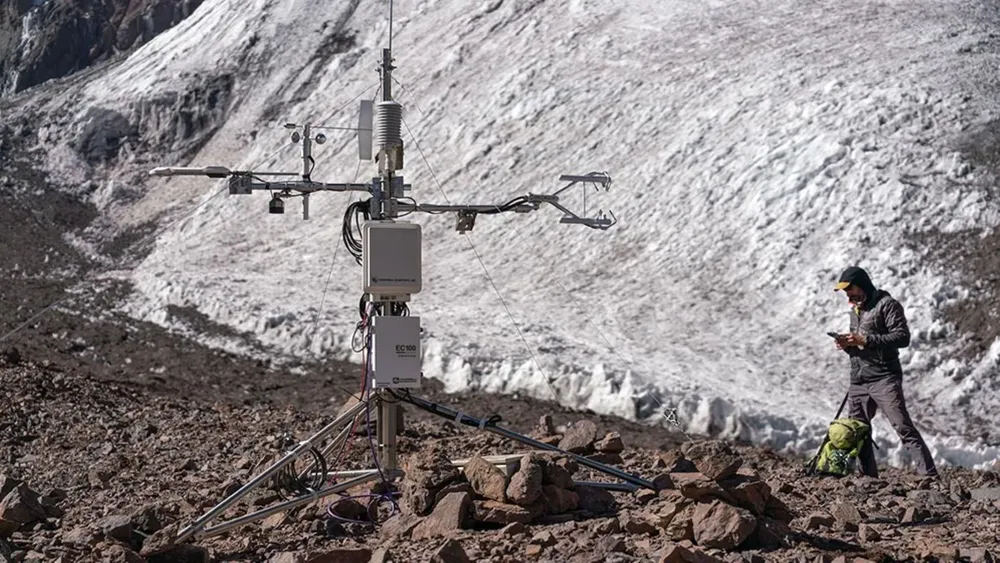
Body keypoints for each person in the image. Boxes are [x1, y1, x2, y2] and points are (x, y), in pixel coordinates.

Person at [832, 266, 937, 477]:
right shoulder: (856, 310)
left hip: (884, 377)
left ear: (862, 284)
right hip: (859, 380)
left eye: (849, 289)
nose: (847, 294)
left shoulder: (887, 305)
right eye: (845, 291)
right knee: (858, 431)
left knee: (902, 425)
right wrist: (849, 345)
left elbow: (902, 337)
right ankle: (868, 479)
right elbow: (863, 345)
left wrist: (866, 340)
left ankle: (930, 476)